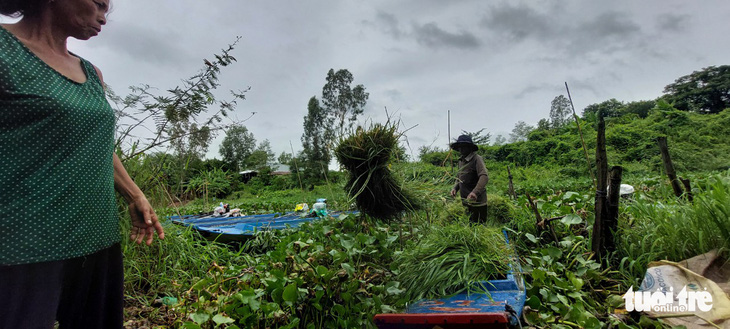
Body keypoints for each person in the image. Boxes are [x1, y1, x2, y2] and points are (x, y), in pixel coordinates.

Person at [0, 1, 165, 328]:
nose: (104, 16)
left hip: (97, 238)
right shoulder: (5, 51)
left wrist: (135, 195)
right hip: (24, 243)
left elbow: (96, 142)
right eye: (99, 4)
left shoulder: (91, 73)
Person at [449, 135, 489, 223]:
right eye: (459, 146)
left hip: (477, 202)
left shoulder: (476, 159)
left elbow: (484, 176)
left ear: (469, 147)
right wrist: (455, 188)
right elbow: (460, 177)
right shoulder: (461, 160)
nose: (461, 149)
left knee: (479, 228)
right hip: (466, 201)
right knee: (470, 225)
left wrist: (475, 192)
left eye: (463, 146)